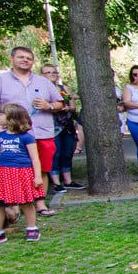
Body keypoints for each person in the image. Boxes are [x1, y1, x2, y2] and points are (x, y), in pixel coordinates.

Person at [0, 47, 63, 217]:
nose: (25, 60)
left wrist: (49, 106)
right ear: (12, 58)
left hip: (41, 132)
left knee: (42, 168)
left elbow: (60, 103)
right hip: (12, 135)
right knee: (13, 169)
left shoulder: (43, 82)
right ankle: (15, 205)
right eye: (21, 57)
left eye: (29, 58)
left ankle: (40, 204)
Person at [0, 104, 44, 245]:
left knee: (26, 202)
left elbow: (35, 158)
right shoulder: (0, 136)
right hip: (3, 173)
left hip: (22, 173)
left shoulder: (27, 137)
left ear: (12, 119)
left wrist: (37, 176)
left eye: (2, 114)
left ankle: (32, 228)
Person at [41, 64, 85, 192]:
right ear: (42, 75)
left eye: (54, 72)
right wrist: (54, 107)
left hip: (67, 124)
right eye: (48, 72)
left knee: (67, 152)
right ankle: (56, 182)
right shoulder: (41, 89)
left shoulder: (63, 88)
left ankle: (68, 180)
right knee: (55, 153)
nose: (52, 74)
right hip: (51, 125)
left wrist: (66, 108)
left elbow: (72, 106)